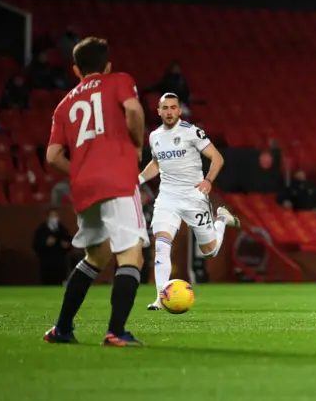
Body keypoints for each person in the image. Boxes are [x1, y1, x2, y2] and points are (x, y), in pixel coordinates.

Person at [43, 36, 149, 347]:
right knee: (132, 254)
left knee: (97, 254)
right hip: (117, 178)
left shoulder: (64, 105)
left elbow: (51, 156)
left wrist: (79, 171)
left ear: (76, 70)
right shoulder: (118, 80)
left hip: (84, 186)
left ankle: (62, 328)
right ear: (108, 65)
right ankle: (116, 331)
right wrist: (138, 144)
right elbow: (134, 111)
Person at [138, 93, 240, 310]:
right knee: (162, 244)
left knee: (209, 251)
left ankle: (221, 219)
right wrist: (137, 179)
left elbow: (217, 158)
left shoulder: (192, 131)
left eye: (173, 107)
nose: (169, 112)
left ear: (179, 110)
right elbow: (156, 164)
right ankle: (160, 297)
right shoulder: (154, 136)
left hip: (194, 197)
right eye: (165, 108)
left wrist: (208, 180)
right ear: (158, 111)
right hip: (167, 197)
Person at [33, 208, 73, 285]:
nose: (54, 218)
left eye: (55, 215)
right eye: (52, 216)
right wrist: (46, 244)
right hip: (47, 262)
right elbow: (36, 246)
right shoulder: (42, 229)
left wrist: (67, 245)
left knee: (61, 282)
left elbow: (70, 241)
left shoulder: (62, 228)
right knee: (48, 282)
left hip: (60, 262)